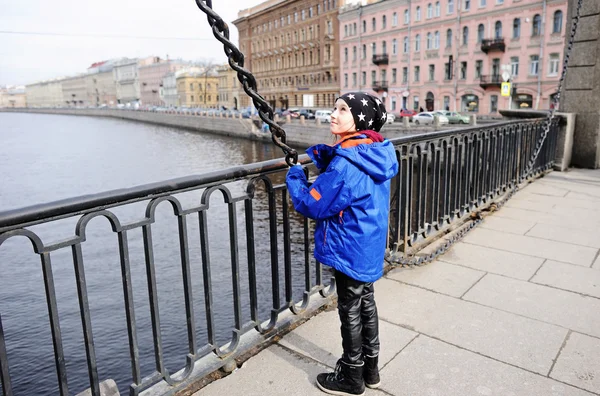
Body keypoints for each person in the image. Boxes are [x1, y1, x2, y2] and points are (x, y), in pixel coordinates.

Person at [286, 92, 398, 396]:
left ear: (360, 120)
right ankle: (370, 369)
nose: (333, 114)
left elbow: (312, 204)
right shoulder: (374, 150)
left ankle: (351, 376)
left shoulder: (346, 164)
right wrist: (328, 158)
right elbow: (349, 188)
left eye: (343, 110)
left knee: (349, 307)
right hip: (368, 241)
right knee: (366, 302)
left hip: (349, 245)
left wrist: (296, 176)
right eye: (334, 108)